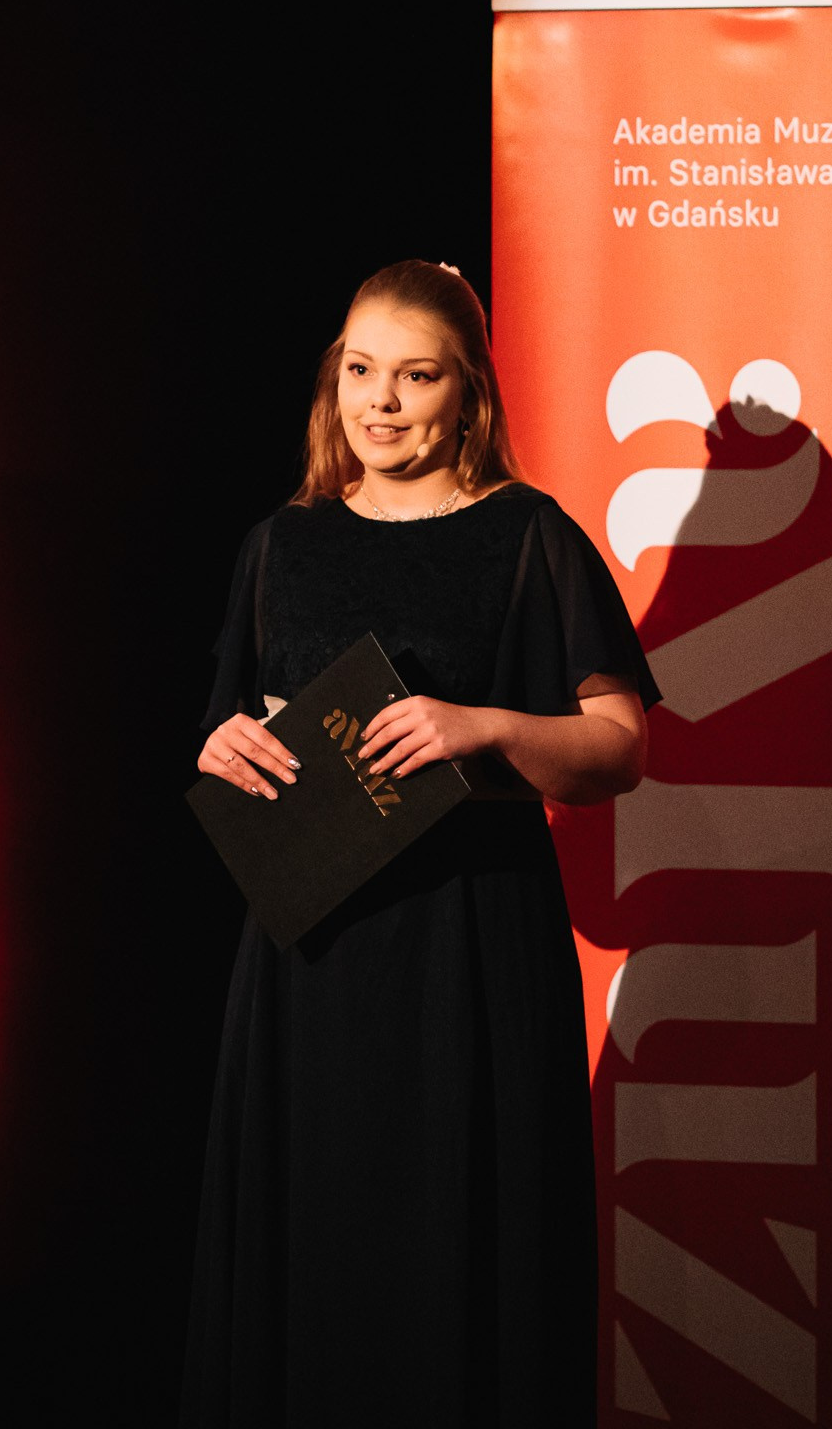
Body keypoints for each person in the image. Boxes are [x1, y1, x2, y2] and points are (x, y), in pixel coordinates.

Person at [181, 261, 656, 1426]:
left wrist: (485, 726)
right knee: (312, 1258)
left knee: (456, 1254)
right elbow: (230, 723)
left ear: (470, 392)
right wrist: (220, 748)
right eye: (360, 370)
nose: (380, 402)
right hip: (308, 962)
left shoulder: (528, 536)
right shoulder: (281, 544)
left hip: (467, 951)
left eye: (415, 375)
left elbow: (619, 746)